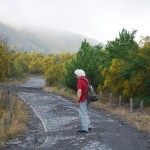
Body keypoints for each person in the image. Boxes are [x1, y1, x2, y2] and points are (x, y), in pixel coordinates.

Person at [74, 69, 91, 133]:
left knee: (82, 113)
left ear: (79, 75)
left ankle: (84, 128)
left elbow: (79, 91)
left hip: (83, 99)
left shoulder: (80, 81)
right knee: (85, 112)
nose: (76, 76)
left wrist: (78, 101)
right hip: (88, 98)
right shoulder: (86, 80)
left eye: (76, 75)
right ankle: (88, 126)